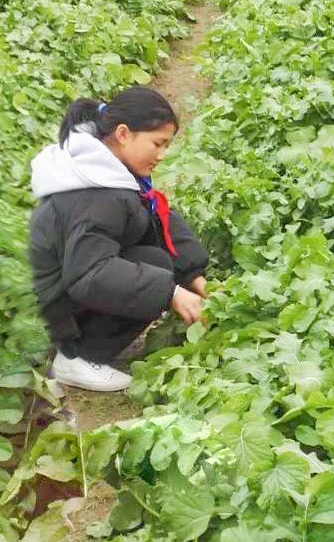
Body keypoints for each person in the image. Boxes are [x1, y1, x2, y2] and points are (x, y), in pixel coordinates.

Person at [29, 87, 209, 393]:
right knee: (156, 272)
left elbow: (157, 218)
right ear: (124, 133)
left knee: (156, 262)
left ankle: (75, 343)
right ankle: (76, 357)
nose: (162, 155)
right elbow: (89, 273)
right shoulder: (97, 193)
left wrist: (195, 276)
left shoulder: (107, 168)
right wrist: (170, 293)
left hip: (60, 283)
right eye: (157, 143)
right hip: (49, 302)